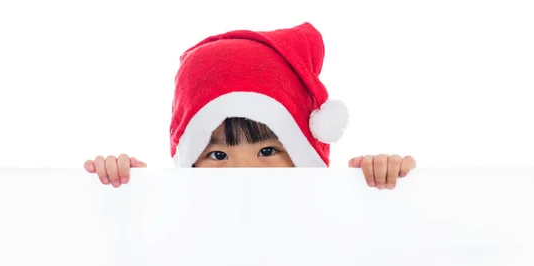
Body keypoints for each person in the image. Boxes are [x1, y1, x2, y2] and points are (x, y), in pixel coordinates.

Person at [84, 22, 416, 190]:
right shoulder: (179, 222)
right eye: (217, 155)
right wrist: (130, 193)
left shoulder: (330, 215)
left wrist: (375, 185)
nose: (243, 172)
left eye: (268, 151)